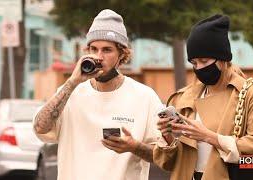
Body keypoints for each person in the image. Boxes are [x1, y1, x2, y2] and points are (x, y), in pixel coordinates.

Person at [33, 9, 163, 180]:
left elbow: (164, 155)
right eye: (93, 49)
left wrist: (134, 147)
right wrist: (72, 82)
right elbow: (40, 128)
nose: (99, 57)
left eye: (107, 50)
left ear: (122, 54)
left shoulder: (144, 97)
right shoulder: (70, 92)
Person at [153, 14, 253, 180]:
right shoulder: (185, 97)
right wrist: (168, 137)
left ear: (222, 58)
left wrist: (209, 136)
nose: (199, 68)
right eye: (194, 63)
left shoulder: (250, 93)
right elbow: (168, 165)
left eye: (204, 61)